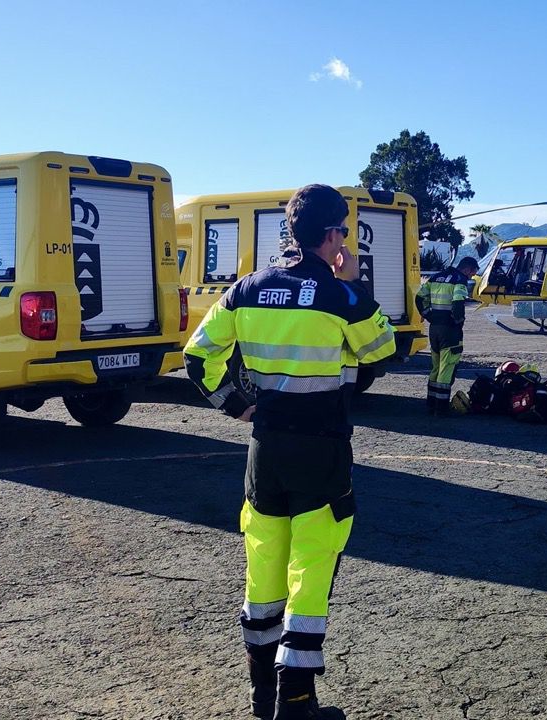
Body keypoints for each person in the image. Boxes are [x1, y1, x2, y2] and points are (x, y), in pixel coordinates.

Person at [184, 184, 396, 719]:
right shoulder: (338, 294)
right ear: (330, 236)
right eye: (343, 231)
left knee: (264, 571)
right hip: (320, 450)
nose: (344, 239)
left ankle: (262, 697)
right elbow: (381, 348)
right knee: (311, 568)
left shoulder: (245, 290)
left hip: (266, 449)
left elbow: (198, 357)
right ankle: (296, 702)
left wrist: (235, 405)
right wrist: (352, 283)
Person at [415, 255, 479, 415]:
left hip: (434, 328)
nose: (470, 276)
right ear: (467, 268)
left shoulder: (436, 277)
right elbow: (458, 302)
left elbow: (419, 297)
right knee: (447, 367)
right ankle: (441, 408)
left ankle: (431, 404)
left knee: (436, 367)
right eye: (472, 273)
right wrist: (458, 321)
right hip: (449, 331)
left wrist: (429, 315)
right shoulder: (460, 280)